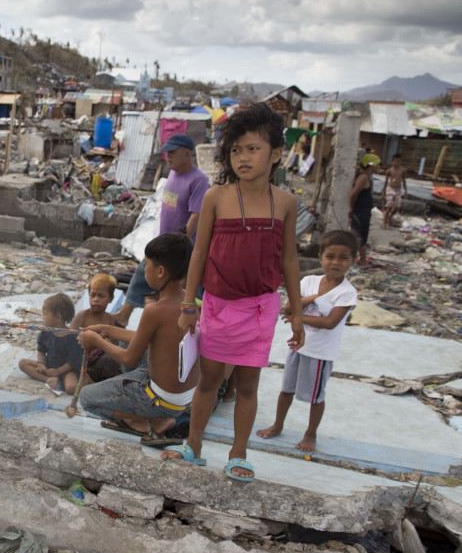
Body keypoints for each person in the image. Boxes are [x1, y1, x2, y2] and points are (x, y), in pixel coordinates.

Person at [161, 101, 304, 482]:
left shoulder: (286, 203)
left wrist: (298, 311)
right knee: (208, 380)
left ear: (275, 154)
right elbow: (199, 255)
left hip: (260, 308)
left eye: (253, 149)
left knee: (247, 385)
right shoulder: (216, 198)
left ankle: (239, 453)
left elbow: (289, 261)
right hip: (218, 307)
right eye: (236, 150)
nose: (243, 157)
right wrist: (189, 303)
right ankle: (193, 445)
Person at [77, 233, 197, 447]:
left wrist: (97, 341)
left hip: (160, 399)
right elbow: (147, 339)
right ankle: (159, 417)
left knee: (86, 397)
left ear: (160, 272)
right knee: (125, 341)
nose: (144, 271)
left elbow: (129, 359)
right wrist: (106, 329)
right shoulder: (192, 303)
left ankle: (140, 421)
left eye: (147, 265)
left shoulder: (155, 310)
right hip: (184, 399)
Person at [257, 230, 358, 453]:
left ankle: (310, 434)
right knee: (286, 389)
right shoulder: (309, 281)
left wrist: (297, 315)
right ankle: (277, 424)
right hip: (297, 346)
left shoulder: (347, 293)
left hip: (321, 352)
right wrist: (308, 300)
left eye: (343, 258)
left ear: (353, 261)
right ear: (320, 257)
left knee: (315, 396)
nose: (335, 263)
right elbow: (287, 307)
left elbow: (331, 322)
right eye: (330, 256)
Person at [115, 133, 209, 326]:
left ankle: (187, 327)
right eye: (167, 153)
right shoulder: (173, 174)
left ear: (186, 153)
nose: (168, 157)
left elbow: (196, 215)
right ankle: (125, 315)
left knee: (185, 286)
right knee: (144, 274)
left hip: (182, 246)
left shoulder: (199, 180)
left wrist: (182, 240)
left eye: (173, 153)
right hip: (164, 239)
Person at [19, 293, 84, 395]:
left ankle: (60, 379)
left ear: (58, 317)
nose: (43, 317)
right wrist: (41, 364)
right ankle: (49, 379)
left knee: (71, 388)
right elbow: (41, 350)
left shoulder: (72, 337)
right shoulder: (45, 332)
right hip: (49, 369)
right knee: (23, 363)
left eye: (45, 313)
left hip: (66, 371)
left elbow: (72, 362)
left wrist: (58, 371)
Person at [71, 274, 125, 383]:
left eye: (101, 296)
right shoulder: (82, 316)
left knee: (113, 359)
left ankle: (109, 383)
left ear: (111, 298)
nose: (96, 300)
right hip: (82, 361)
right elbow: (69, 340)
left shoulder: (109, 319)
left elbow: (112, 344)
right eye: (93, 295)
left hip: (99, 362)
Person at [350, 158, 375, 265]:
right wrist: (351, 209)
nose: (378, 167)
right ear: (371, 166)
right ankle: (362, 260)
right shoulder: (363, 177)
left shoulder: (368, 177)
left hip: (363, 211)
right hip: (360, 211)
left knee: (362, 234)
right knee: (360, 235)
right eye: (376, 165)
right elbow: (353, 194)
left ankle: (360, 259)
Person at [382, 155, 407, 229]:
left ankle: (390, 217)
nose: (397, 163)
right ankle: (384, 222)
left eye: (399, 161)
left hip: (398, 190)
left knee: (397, 208)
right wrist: (383, 192)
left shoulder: (402, 170)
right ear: (393, 161)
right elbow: (386, 182)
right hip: (390, 189)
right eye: (396, 161)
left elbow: (404, 181)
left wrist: (406, 191)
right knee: (389, 207)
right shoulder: (389, 171)